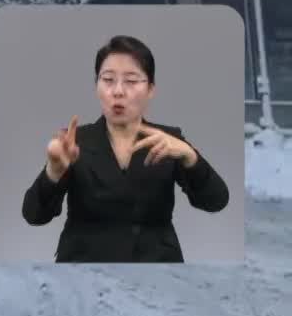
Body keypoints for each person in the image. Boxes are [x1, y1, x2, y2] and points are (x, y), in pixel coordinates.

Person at [21, 34, 231, 262]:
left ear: (150, 89)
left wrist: (191, 158)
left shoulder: (168, 141)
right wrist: (54, 171)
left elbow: (216, 201)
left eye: (131, 81)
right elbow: (34, 215)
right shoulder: (74, 142)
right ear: (96, 86)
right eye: (108, 80)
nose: (118, 91)